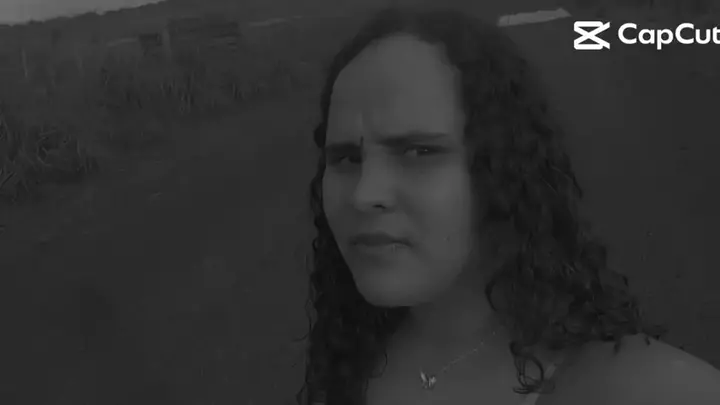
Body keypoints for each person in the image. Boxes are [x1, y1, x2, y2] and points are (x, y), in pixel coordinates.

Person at [296, 6, 720, 405]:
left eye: (419, 152)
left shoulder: (647, 390)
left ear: (504, 170)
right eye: (346, 158)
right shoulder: (353, 355)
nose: (365, 193)